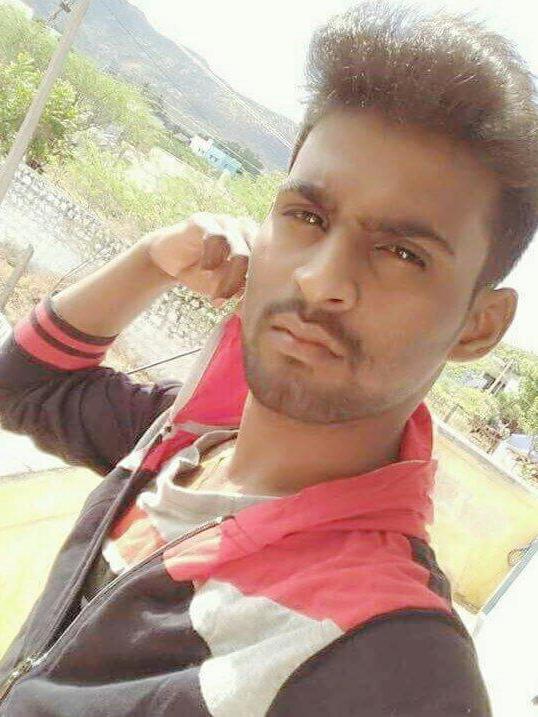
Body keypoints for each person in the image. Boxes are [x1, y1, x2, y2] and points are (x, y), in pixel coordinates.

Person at [0, 2, 536, 714]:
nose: (320, 279)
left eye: (403, 253)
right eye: (307, 217)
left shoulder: (391, 662)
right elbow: (23, 386)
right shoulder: (183, 443)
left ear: (478, 325)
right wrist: (152, 258)